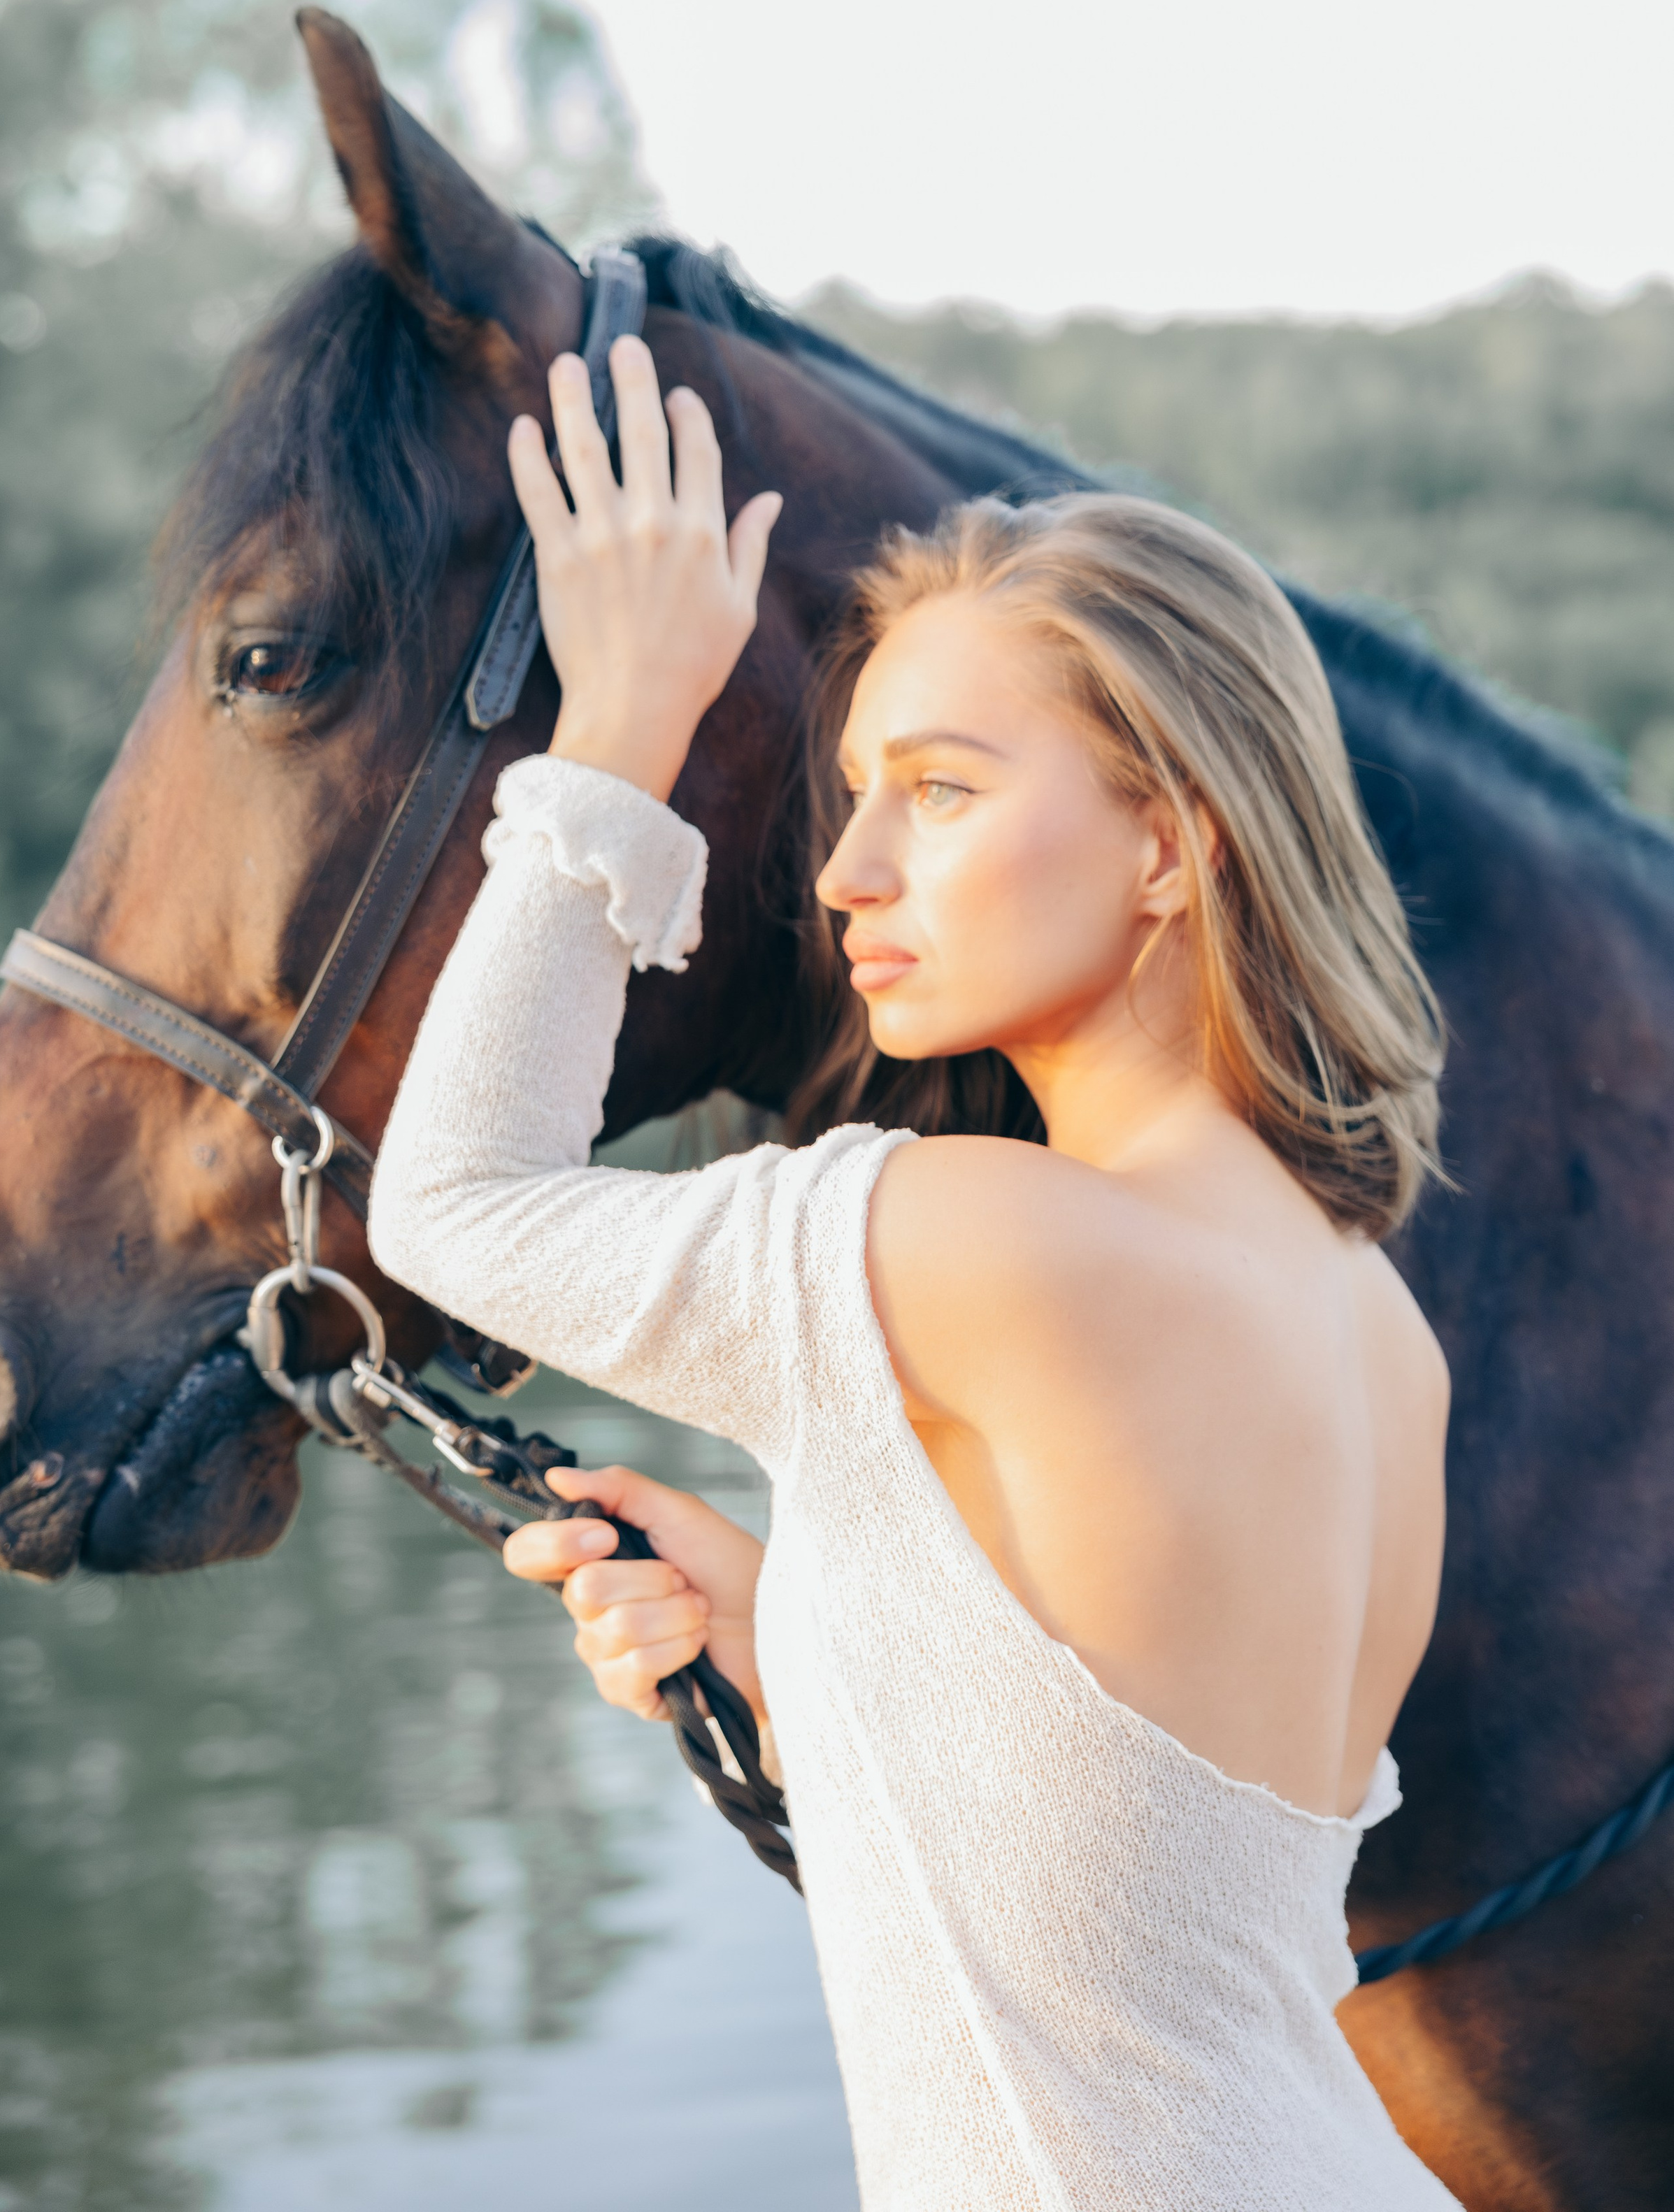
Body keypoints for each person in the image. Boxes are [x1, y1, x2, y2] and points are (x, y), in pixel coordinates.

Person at [369, 335, 1459, 2209]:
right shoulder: (1376, 1322)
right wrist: (806, 1642)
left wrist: (621, 719)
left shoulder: (981, 1233)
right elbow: (1160, 1907)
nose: (848, 870)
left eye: (940, 793)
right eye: (859, 791)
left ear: (1170, 842)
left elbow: (452, 1201)